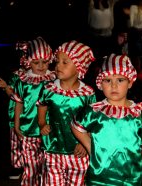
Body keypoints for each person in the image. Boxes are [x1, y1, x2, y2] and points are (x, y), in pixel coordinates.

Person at [71, 54, 142, 186]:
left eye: (120, 80)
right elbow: (76, 126)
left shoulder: (139, 115)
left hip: (130, 179)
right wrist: (90, 146)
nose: (114, 86)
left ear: (130, 82)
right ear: (100, 84)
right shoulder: (95, 111)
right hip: (99, 179)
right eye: (107, 81)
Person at [37, 40, 96, 185]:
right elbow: (42, 105)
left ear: (79, 67)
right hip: (53, 148)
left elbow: (92, 120)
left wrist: (85, 141)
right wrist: (42, 122)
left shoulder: (87, 94)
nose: (58, 66)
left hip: (77, 151)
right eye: (57, 61)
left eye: (65, 62)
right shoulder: (49, 89)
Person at [12, 37, 56, 185]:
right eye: (36, 62)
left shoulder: (53, 79)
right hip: (28, 130)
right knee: (30, 167)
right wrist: (16, 125)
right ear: (28, 61)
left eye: (45, 62)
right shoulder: (23, 81)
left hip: (48, 131)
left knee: (46, 168)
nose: (41, 66)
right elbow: (18, 103)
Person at [0, 42, 28, 179]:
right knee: (16, 142)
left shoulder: (43, 76)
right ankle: (17, 168)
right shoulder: (16, 75)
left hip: (34, 115)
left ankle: (31, 166)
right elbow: (15, 95)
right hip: (17, 113)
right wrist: (6, 87)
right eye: (22, 55)